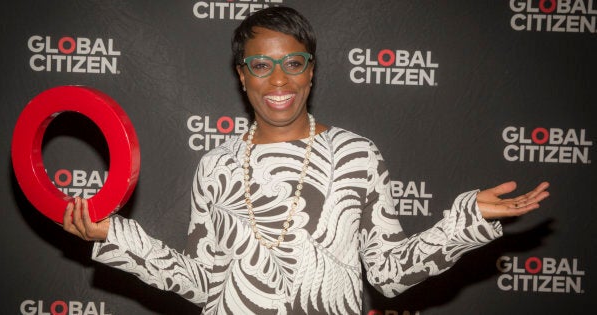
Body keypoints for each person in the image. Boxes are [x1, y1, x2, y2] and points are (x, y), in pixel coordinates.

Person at [63, 6, 550, 315]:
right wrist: (115, 235)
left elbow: (389, 274)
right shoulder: (214, 167)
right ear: (242, 75)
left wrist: (466, 222)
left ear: (311, 73)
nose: (279, 81)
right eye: (261, 65)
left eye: (293, 63)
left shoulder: (357, 155)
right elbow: (200, 283)